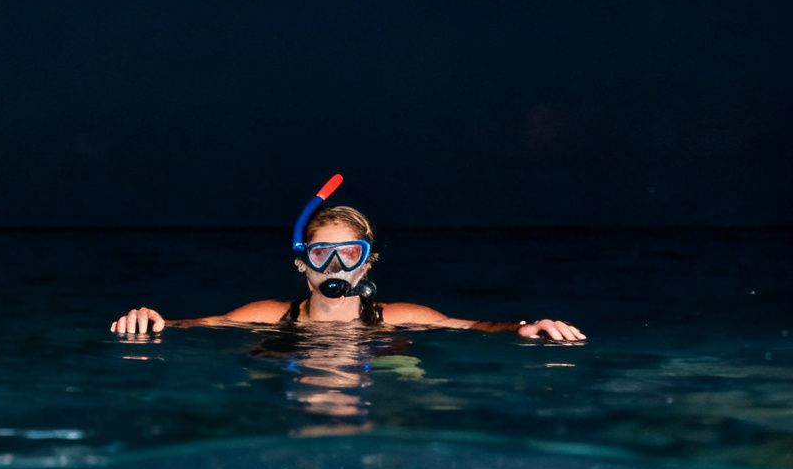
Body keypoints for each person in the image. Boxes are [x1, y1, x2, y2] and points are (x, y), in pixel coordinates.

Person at [109, 175, 584, 341]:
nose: (335, 266)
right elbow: (192, 325)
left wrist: (525, 328)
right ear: (302, 263)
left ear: (367, 263)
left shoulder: (398, 317)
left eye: (350, 253)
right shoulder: (268, 316)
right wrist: (152, 320)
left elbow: (476, 327)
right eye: (322, 253)